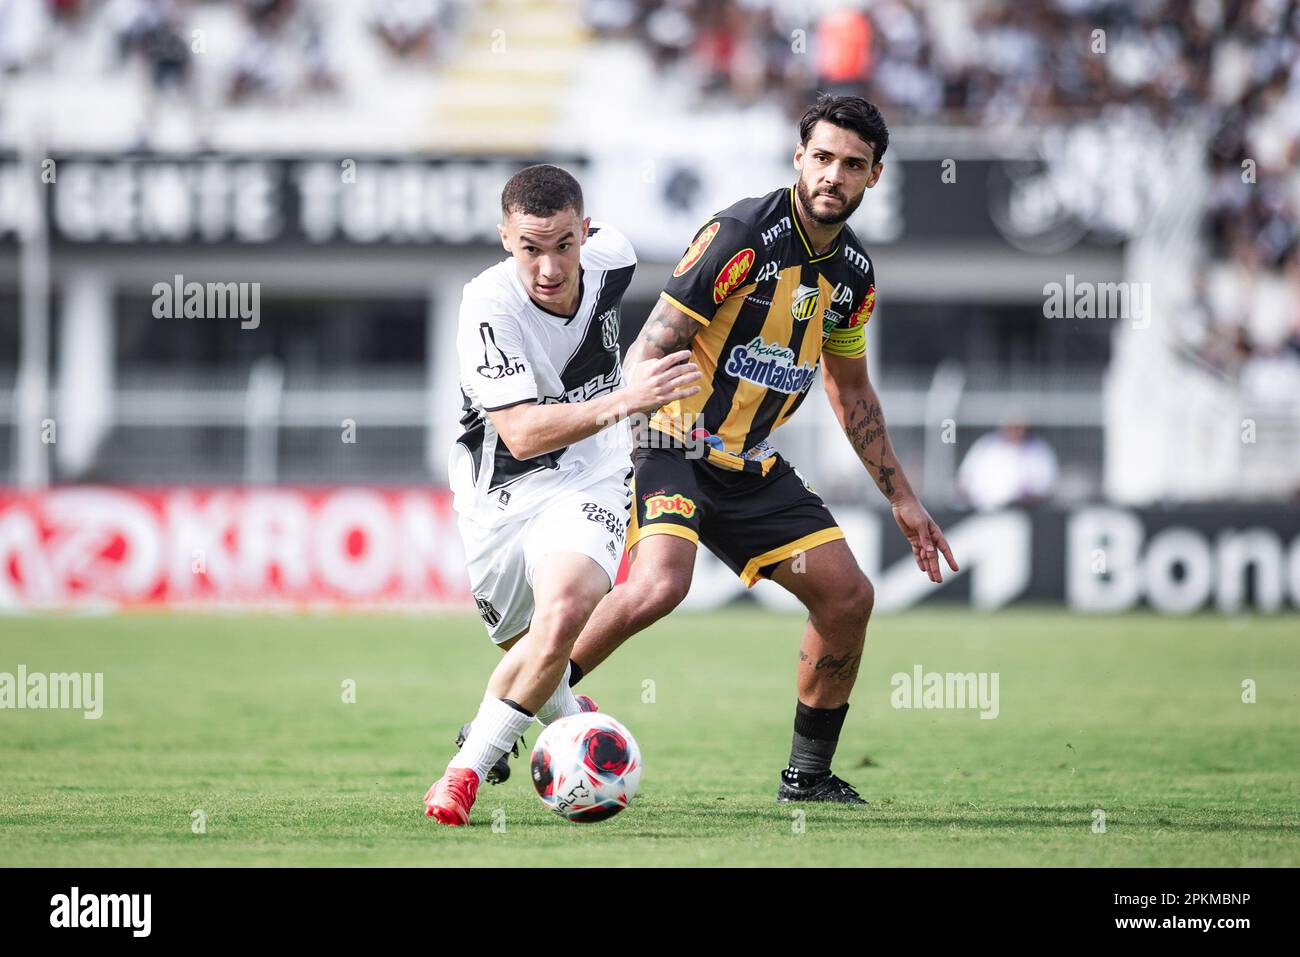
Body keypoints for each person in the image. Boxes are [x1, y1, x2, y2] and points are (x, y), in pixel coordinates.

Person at [563, 94, 957, 804]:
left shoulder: (854, 278)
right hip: (670, 442)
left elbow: (852, 392)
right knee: (661, 583)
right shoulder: (739, 235)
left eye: (853, 164)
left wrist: (902, 495)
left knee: (848, 597)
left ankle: (807, 779)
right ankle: (509, 713)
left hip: (748, 466)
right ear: (799, 158)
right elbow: (653, 346)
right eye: (824, 158)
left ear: (875, 176)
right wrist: (635, 436)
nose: (834, 175)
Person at [423, 164, 701, 825]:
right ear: (504, 238)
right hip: (498, 494)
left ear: (586, 230)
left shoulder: (616, 256)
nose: (549, 266)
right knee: (533, 652)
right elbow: (519, 432)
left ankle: (461, 776)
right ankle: (573, 717)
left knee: (566, 611)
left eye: (563, 245)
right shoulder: (486, 305)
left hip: (591, 475)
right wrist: (630, 397)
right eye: (529, 247)